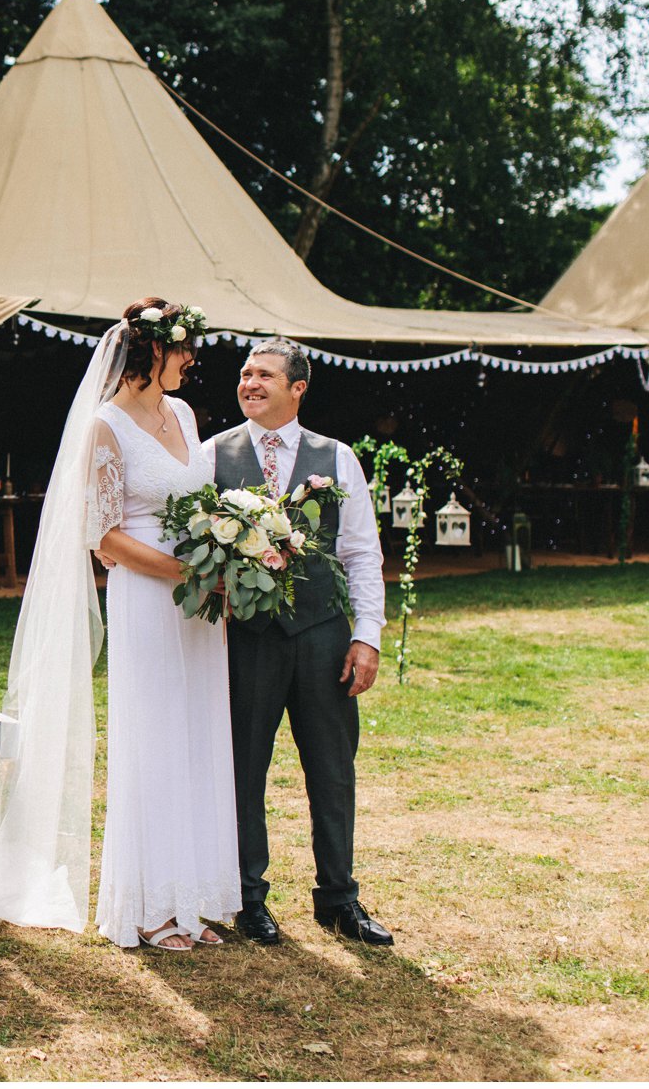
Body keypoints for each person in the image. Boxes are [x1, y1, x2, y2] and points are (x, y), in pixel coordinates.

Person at [0, 299, 239, 952]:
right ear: (153, 352)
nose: (193, 361)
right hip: (150, 599)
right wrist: (187, 574)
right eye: (185, 349)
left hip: (199, 607)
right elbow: (103, 539)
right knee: (154, 742)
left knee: (197, 738)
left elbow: (203, 504)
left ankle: (192, 903)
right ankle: (147, 910)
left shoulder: (183, 414)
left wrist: (225, 553)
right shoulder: (106, 426)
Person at [209, 338, 393, 947]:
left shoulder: (337, 458)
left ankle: (339, 900)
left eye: (264, 374)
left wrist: (366, 637)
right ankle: (247, 898)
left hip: (321, 635)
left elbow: (363, 552)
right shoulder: (211, 456)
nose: (250, 382)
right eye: (244, 373)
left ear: (298, 388)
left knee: (333, 770)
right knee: (242, 770)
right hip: (247, 641)